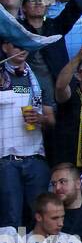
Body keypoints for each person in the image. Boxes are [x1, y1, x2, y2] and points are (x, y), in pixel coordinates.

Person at [0, 40, 54, 229]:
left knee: (38, 220)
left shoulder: (40, 78)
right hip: (5, 160)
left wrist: (41, 118)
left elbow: (51, 120)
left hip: (35, 158)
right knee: (10, 220)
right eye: (16, 45)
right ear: (5, 47)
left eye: (24, 46)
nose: (21, 49)